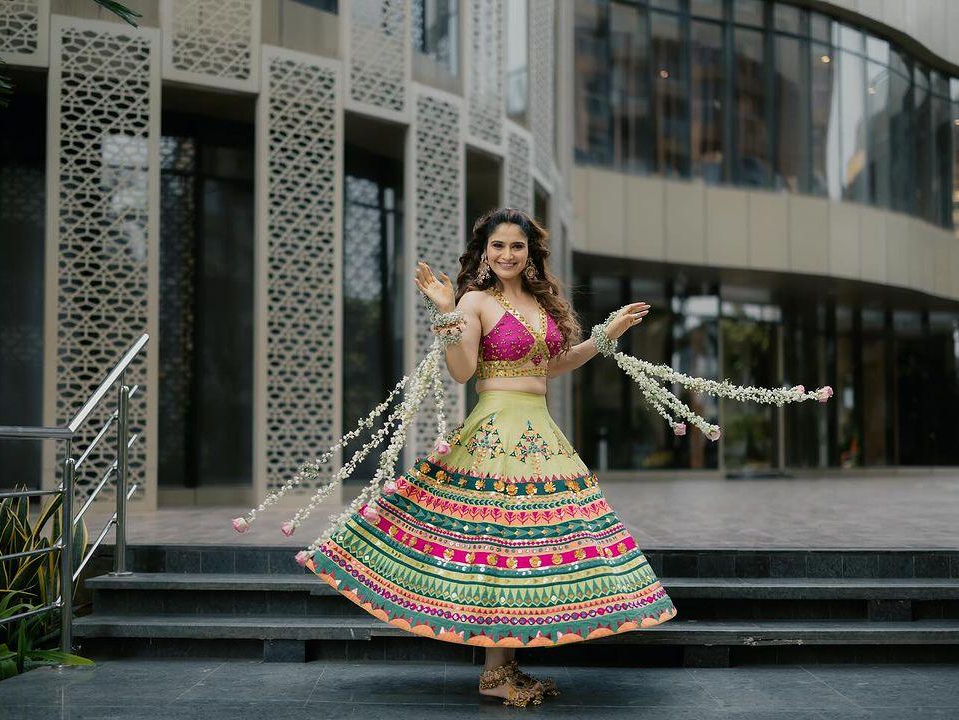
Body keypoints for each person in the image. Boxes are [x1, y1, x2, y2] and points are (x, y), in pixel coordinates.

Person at [233, 207, 831, 708]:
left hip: (540, 428)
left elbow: (553, 365)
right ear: (484, 250)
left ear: (530, 252)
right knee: (496, 542)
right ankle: (495, 672)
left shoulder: (542, 306)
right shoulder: (474, 301)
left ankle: (501, 668)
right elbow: (464, 370)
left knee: (528, 545)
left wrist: (603, 337)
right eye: (499, 245)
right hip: (495, 429)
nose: (509, 254)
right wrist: (446, 311)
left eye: (518, 245)